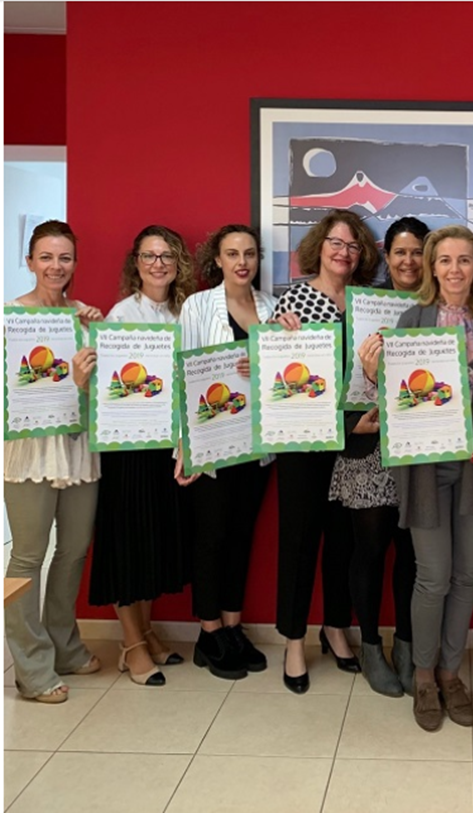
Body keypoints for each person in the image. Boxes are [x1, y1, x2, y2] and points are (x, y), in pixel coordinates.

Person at [361, 224, 473, 731]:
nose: (454, 269)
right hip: (425, 467)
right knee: (433, 576)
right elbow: (396, 399)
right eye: (444, 260)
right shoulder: (412, 318)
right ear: (432, 268)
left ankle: (450, 673)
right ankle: (423, 676)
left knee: (467, 575)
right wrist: (375, 375)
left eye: (464, 259)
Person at [273, 209, 379, 694]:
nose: (344, 252)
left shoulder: (368, 303)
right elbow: (273, 368)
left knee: (344, 539)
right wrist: (278, 335)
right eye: (336, 242)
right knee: (299, 538)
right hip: (302, 438)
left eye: (353, 245)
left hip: (355, 433)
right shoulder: (294, 299)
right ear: (319, 246)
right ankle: (294, 640)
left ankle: (335, 626)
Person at [89, 225, 196, 686]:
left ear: (178, 263)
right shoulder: (121, 315)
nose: (158, 264)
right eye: (150, 256)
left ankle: (147, 631)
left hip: (166, 447)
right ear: (136, 263)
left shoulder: (184, 313)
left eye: (167, 256)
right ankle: (131, 643)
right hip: (128, 449)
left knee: (154, 543)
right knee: (128, 544)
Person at [4, 220, 103, 703]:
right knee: (27, 555)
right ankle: (31, 667)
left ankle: (63, 645)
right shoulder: (11, 319)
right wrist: (70, 383)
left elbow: (106, 392)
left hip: (78, 446)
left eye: (64, 258)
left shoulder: (85, 319)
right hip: (31, 451)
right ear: (30, 262)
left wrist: (99, 338)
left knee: (75, 549)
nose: (55, 266)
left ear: (75, 263)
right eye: (46, 257)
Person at [330, 216, 427, 697]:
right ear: (386, 257)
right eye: (400, 252)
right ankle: (370, 645)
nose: (408, 261)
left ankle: (406, 644)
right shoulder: (361, 306)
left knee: (412, 553)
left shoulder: (438, 309)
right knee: (368, 551)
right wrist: (355, 412)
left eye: (417, 252)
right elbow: (331, 373)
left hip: (422, 448)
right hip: (369, 446)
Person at [178, 224, 276, 681]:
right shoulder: (198, 307)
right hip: (211, 442)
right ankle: (209, 632)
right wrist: (186, 445)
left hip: (256, 443)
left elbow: (284, 372)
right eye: (232, 253)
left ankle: (233, 627)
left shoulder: (272, 308)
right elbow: (182, 374)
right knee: (211, 536)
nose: (242, 262)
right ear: (216, 260)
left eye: (249, 253)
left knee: (241, 535)